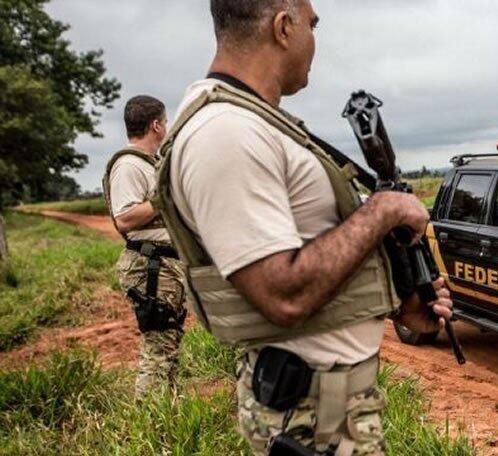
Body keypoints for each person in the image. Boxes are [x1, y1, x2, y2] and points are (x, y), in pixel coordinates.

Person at [154, 1, 453, 454]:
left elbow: (313, 252)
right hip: (309, 414)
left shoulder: (256, 124)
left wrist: (399, 300)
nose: (315, 38)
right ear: (283, 26)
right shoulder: (226, 134)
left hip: (331, 403)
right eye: (312, 24)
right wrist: (382, 211)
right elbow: (282, 294)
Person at [103, 95, 187, 399]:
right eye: (165, 121)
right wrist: (161, 198)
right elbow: (124, 219)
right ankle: (151, 418)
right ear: (156, 125)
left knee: (168, 342)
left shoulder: (150, 164)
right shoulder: (128, 165)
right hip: (151, 267)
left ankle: (167, 409)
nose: (166, 126)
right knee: (158, 348)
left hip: (164, 266)